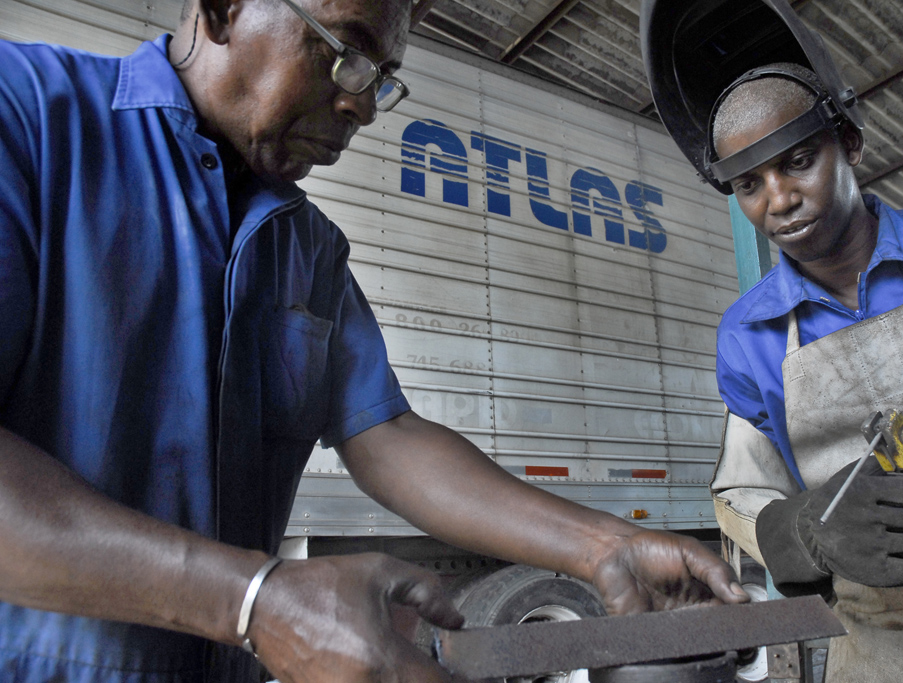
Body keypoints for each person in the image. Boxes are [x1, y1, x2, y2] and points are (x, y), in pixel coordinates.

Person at [0, 0, 748, 681]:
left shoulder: (309, 247)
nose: (361, 101)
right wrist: (252, 598)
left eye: (382, 75)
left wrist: (600, 545)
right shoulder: (26, 114)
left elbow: (384, 432)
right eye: (344, 50)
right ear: (225, 9)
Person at [641, 1, 903, 680]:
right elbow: (742, 493)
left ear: (850, 144)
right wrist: (807, 530)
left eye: (799, 161)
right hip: (884, 652)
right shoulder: (750, 335)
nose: (777, 199)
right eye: (749, 184)